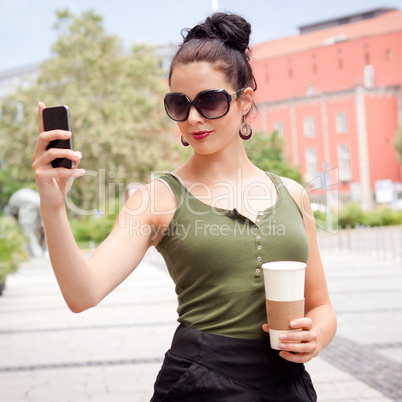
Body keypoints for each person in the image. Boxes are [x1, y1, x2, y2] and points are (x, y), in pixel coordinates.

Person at [32, 12, 336, 402]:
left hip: (288, 387)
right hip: (201, 385)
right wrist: (53, 206)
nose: (193, 118)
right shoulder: (156, 200)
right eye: (179, 104)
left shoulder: (294, 194)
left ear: (244, 102)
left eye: (209, 101)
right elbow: (83, 294)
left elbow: (322, 306)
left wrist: (316, 336)